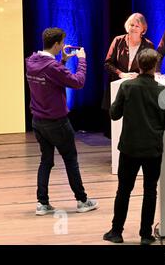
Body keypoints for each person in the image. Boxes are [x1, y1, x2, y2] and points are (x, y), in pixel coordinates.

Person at [103, 48, 165, 245]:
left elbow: (114, 114)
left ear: (138, 63)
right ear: (155, 66)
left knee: (123, 190)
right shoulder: (163, 91)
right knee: (150, 191)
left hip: (129, 147)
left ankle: (116, 231)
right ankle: (145, 235)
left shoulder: (127, 87)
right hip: (152, 148)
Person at [25, 27, 98, 216]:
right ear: (57, 44)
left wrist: (64, 60)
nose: (63, 46)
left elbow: (52, 77)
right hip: (57, 122)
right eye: (62, 43)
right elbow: (78, 82)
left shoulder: (32, 61)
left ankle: (42, 203)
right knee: (70, 160)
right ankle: (82, 201)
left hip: (38, 121)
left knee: (46, 161)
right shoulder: (52, 67)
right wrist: (82, 60)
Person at [102, 13, 154, 111]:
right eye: (131, 25)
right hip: (116, 88)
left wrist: (139, 76)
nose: (133, 28)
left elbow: (150, 70)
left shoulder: (148, 45)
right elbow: (107, 64)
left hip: (137, 90)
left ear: (143, 29)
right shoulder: (118, 41)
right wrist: (121, 74)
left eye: (137, 26)